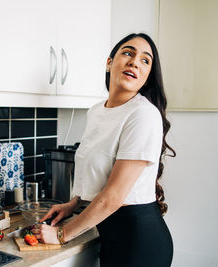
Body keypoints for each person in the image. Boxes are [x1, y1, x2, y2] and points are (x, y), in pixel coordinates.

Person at [32, 33, 176, 267]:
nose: (134, 62)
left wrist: (62, 234)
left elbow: (114, 196)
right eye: (128, 53)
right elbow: (99, 174)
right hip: (110, 233)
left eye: (145, 60)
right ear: (109, 63)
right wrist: (74, 203)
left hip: (140, 242)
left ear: (147, 77)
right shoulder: (97, 111)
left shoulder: (143, 115)